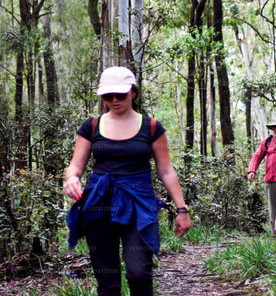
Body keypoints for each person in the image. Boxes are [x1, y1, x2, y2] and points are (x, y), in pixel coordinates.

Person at [63, 66, 191, 296]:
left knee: (139, 272)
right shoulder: (91, 126)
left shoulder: (151, 127)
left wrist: (182, 209)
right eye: (107, 95)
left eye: (120, 94)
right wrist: (71, 179)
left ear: (133, 92)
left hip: (139, 204)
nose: (113, 100)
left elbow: (166, 170)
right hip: (98, 205)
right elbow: (75, 165)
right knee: (106, 277)